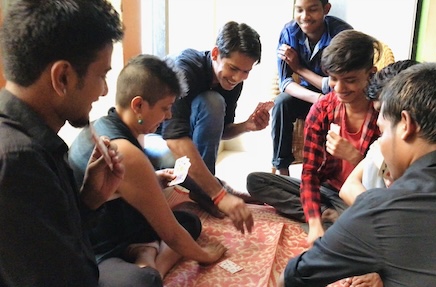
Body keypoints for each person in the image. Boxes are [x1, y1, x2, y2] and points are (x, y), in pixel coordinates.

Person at [278, 62, 436, 287]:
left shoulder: (381, 209)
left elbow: (293, 278)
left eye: (383, 132)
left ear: (406, 125)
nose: (381, 143)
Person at [0, 1, 127, 286]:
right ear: (63, 77)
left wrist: (90, 199)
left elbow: (57, 241)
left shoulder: (31, 142)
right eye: (102, 75)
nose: (104, 90)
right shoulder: (19, 160)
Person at [68, 55, 228, 280]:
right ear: (139, 105)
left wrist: (153, 177)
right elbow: (170, 233)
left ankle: (147, 253)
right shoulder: (126, 151)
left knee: (190, 221)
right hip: (100, 247)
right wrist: (205, 256)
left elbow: (120, 187)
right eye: (165, 108)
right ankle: (153, 267)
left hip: (121, 224)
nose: (169, 116)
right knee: (146, 279)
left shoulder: (104, 124)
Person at [247, 30, 381, 247]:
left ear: (370, 74)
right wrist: (314, 220)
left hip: (359, 195)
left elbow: (388, 180)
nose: (339, 89)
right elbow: (309, 174)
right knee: (256, 181)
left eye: (350, 80)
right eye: (334, 79)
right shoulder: (324, 109)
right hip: (326, 189)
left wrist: (357, 158)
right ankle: (328, 216)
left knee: (374, 225)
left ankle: (341, 222)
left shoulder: (381, 114)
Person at [143, 21, 269, 234]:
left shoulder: (231, 82)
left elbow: (220, 131)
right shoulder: (184, 68)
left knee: (213, 101)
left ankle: (207, 189)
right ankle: (209, 190)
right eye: (233, 68)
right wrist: (219, 195)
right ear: (215, 53)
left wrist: (245, 126)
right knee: (175, 157)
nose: (238, 78)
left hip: (181, 139)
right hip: (153, 138)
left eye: (246, 71)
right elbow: (174, 139)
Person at [339, 60, 436, 206]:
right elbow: (348, 187)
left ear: (406, 122)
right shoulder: (382, 144)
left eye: (384, 113)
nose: (379, 122)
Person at [272, 0, 353, 176]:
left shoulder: (341, 35)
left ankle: (326, 173)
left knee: (336, 110)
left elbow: (336, 84)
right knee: (281, 104)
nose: (304, 17)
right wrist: (317, 99)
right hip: (309, 95)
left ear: (326, 9)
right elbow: (285, 83)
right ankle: (282, 171)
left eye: (313, 10)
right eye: (299, 10)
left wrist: (300, 69)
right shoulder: (289, 32)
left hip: (338, 97)